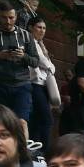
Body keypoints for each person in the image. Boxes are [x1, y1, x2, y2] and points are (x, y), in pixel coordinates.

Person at [0, 1, 39, 138]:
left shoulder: (25, 36)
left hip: (22, 84)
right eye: (4, 17)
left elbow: (35, 62)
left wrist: (23, 56)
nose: (8, 21)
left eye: (11, 18)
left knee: (21, 122)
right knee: (1, 123)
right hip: (0, 84)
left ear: (16, 17)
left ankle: (23, 156)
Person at [25, 16, 56, 151]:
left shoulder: (40, 44)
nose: (42, 30)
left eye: (44, 28)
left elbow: (51, 66)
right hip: (35, 83)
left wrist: (49, 66)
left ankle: (35, 149)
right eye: (39, 27)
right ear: (31, 27)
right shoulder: (29, 41)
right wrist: (49, 66)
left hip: (44, 85)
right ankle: (45, 151)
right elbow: (45, 63)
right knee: (46, 119)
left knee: (37, 119)